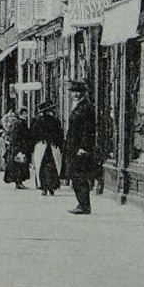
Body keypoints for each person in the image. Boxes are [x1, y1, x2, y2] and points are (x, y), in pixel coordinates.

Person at [63, 79, 97, 214]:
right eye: (74, 92)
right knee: (76, 175)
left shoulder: (87, 107)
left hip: (79, 149)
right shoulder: (77, 106)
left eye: (78, 92)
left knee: (79, 176)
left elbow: (88, 130)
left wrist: (84, 147)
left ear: (84, 93)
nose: (76, 95)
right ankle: (81, 203)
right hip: (73, 147)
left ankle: (84, 205)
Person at [29, 102, 64, 196]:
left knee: (42, 167)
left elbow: (33, 135)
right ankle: (51, 187)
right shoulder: (55, 121)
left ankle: (44, 187)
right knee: (52, 167)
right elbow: (60, 134)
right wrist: (58, 144)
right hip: (52, 147)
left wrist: (33, 146)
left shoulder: (38, 122)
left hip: (41, 146)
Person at [0, 107, 26, 188]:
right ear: (21, 114)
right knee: (18, 165)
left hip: (16, 146)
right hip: (17, 146)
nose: (26, 115)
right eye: (25, 114)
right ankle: (18, 182)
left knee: (18, 164)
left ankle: (19, 182)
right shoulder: (19, 123)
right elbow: (17, 136)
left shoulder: (18, 123)